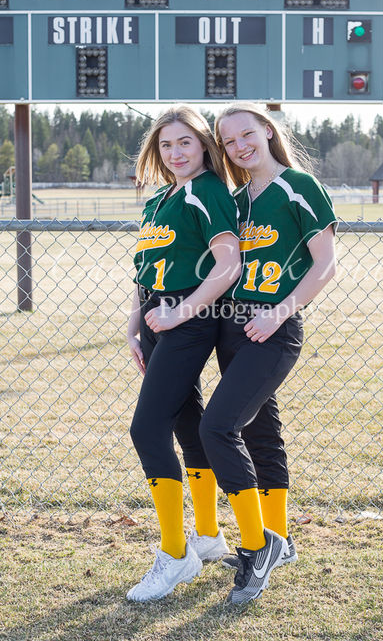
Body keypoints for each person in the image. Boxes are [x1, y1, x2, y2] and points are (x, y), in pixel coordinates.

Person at [198, 102, 337, 604]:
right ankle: (282, 538)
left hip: (273, 327)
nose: (239, 146)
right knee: (260, 430)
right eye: (229, 141)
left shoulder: (299, 185)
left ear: (268, 131)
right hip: (233, 328)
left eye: (247, 134)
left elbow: (325, 264)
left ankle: (259, 547)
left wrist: (278, 313)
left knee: (217, 427)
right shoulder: (236, 200)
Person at [126, 106, 240, 603]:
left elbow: (228, 265)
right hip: (158, 318)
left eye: (185, 143)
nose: (175, 153)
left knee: (146, 429)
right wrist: (134, 325)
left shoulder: (208, 190)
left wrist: (180, 313)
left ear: (203, 146)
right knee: (186, 425)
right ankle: (208, 536)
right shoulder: (159, 198)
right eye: (166, 144)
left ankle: (176, 554)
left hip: (188, 320)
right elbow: (145, 269)